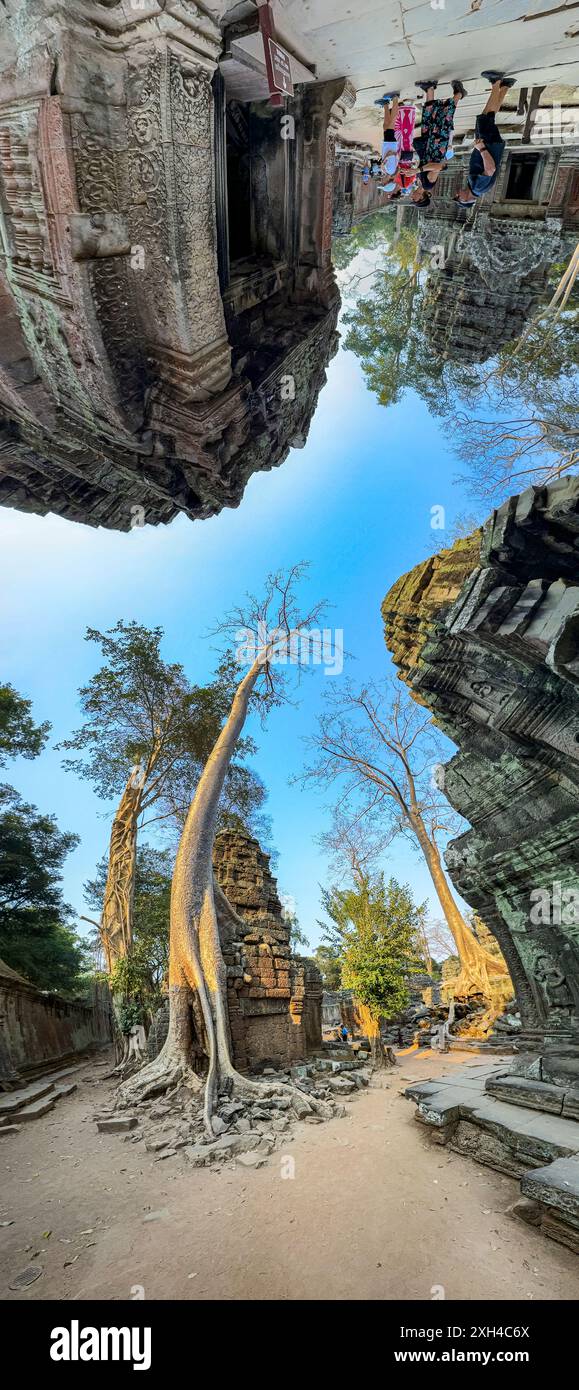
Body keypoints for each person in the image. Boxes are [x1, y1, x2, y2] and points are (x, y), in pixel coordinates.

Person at [454, 71, 516, 207]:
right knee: (486, 116)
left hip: (489, 146)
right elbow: (490, 169)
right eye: (458, 197)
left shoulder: (475, 187)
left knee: (487, 117)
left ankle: (505, 86)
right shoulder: (478, 188)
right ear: (464, 199)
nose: (457, 194)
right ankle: (496, 82)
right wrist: (481, 149)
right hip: (488, 146)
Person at [410, 77, 467, 208]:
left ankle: (429, 89)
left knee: (428, 118)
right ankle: (459, 94)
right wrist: (418, 169)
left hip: (427, 146)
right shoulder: (428, 184)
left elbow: (424, 164)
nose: (411, 197)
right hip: (437, 147)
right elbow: (438, 167)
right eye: (414, 199)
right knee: (445, 119)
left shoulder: (420, 182)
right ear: (421, 198)